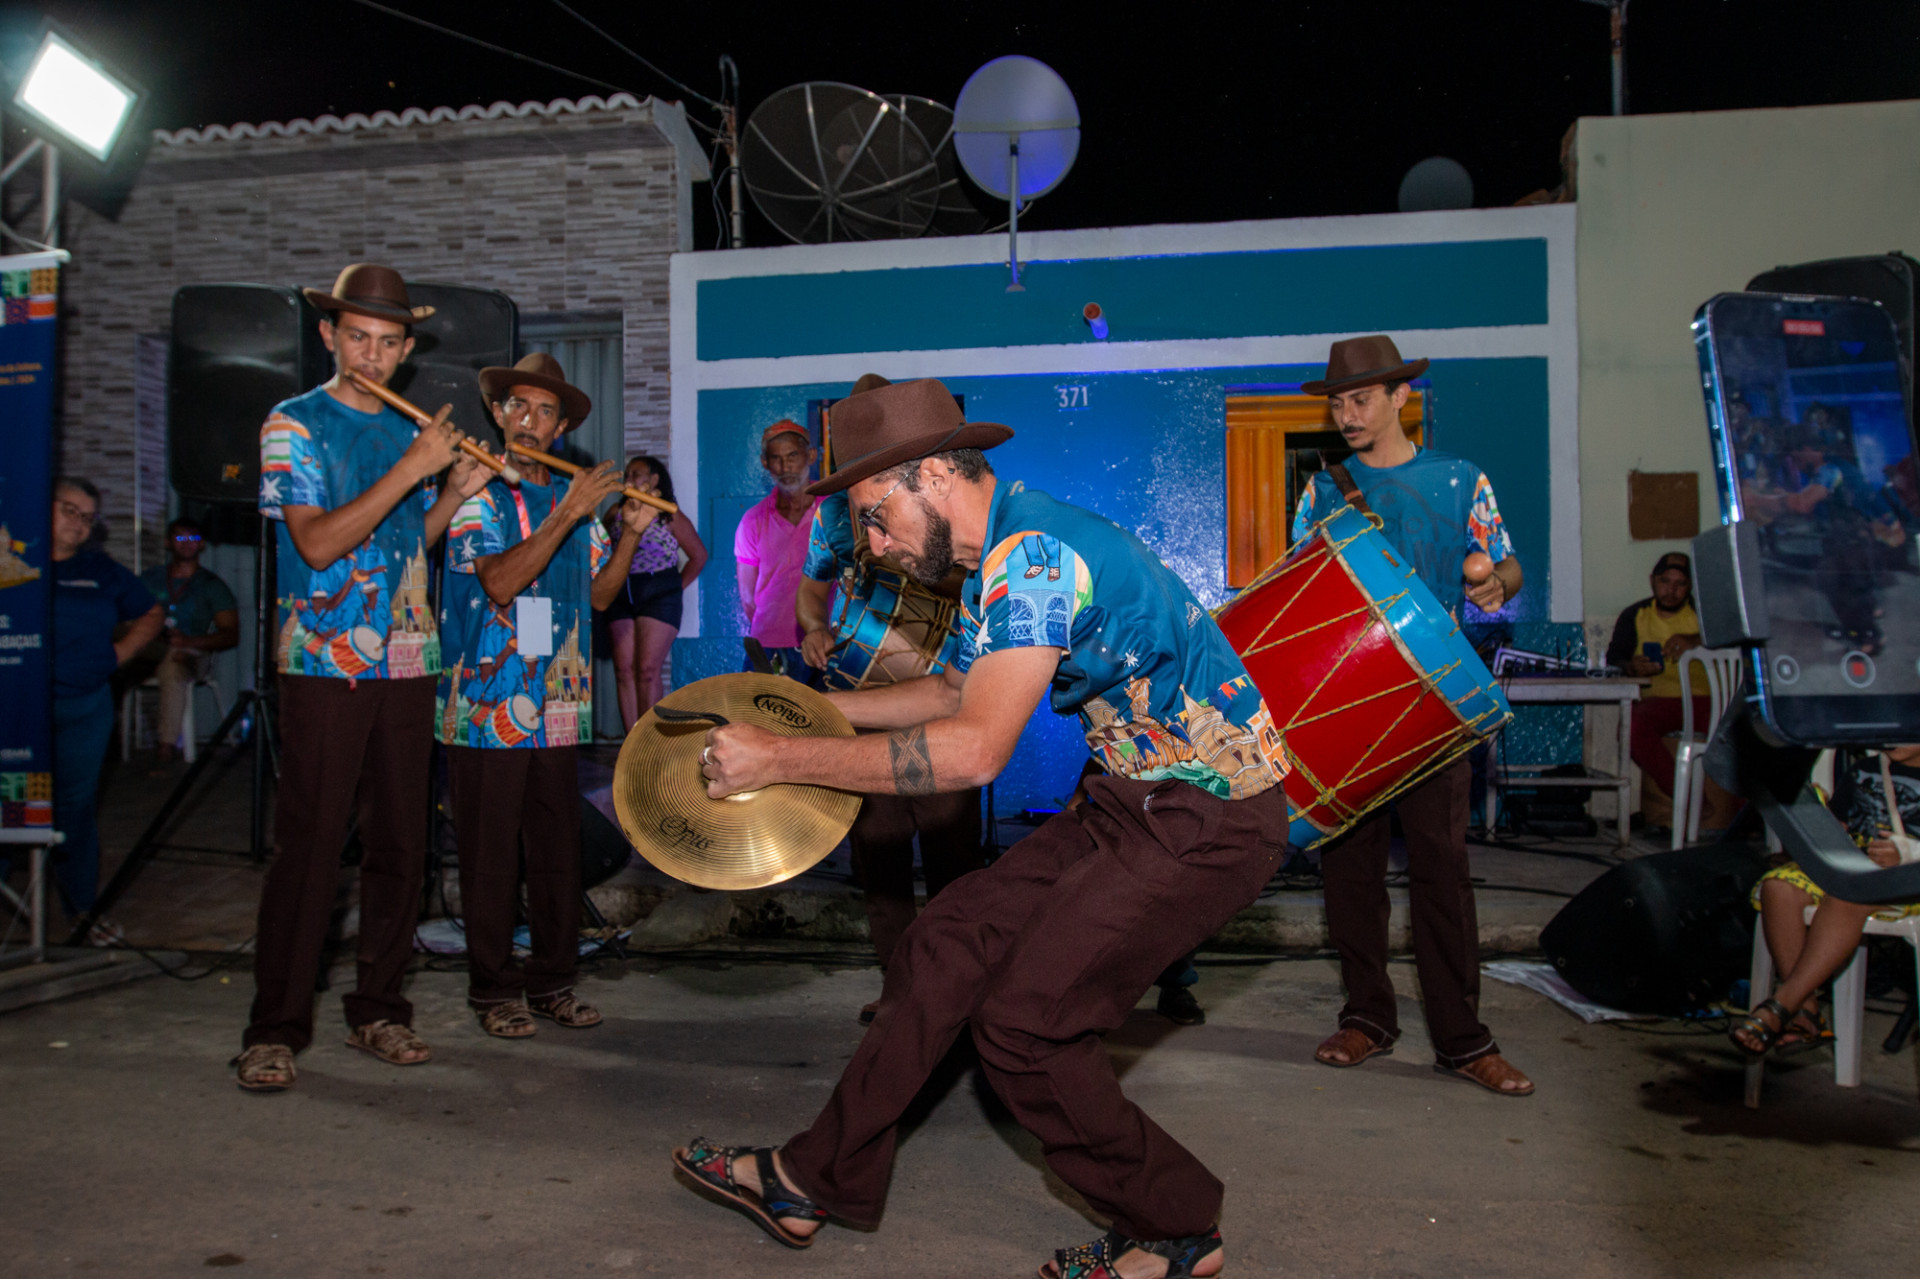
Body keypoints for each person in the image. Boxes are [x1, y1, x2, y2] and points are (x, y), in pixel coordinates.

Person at [673, 378, 1291, 1277]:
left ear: (930, 472)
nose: (875, 549)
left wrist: (780, 760)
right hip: (1127, 799)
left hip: (1207, 815)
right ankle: (814, 1180)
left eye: (877, 517)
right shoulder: (1001, 551)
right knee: (943, 942)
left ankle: (1177, 1225)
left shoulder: (1031, 556)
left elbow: (971, 751)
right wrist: (818, 713)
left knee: (1025, 1026)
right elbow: (955, 690)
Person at [233, 263, 491, 1093]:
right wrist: (416, 469)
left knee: (402, 842)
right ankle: (274, 1027)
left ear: (406, 348)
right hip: (324, 662)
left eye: (387, 343)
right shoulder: (292, 425)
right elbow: (317, 544)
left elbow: (404, 543)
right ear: (327, 336)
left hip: (410, 657)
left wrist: (452, 491)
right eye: (356, 339)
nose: (371, 357)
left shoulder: (408, 434)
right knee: (310, 843)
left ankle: (379, 1006)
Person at [1290, 334, 1534, 1097]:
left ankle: (1464, 1039)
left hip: (1436, 707)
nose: (1345, 414)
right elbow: (1301, 588)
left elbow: (1507, 561)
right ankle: (1368, 1017)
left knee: (1442, 869)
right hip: (1350, 706)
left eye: (1359, 398)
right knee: (1350, 870)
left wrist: (1495, 583)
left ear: (1402, 396)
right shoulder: (1324, 488)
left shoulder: (1461, 479)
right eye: (1336, 402)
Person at [438, 353, 640, 1037]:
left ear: (560, 426)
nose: (529, 420)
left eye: (544, 410)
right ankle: (494, 989)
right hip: (486, 709)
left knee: (556, 850)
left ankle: (553, 979)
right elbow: (499, 581)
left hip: (556, 701)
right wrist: (571, 513)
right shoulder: (473, 489)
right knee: (492, 852)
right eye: (517, 406)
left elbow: (603, 594)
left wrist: (629, 538)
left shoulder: (570, 499)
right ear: (497, 414)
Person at [796, 373, 982, 1022]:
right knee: (880, 864)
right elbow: (810, 587)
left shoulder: (951, 516)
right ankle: (902, 992)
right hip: (860, 701)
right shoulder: (832, 516)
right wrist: (815, 627)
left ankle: (955, 991)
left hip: (939, 708)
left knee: (955, 864)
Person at [1733, 745, 1920, 1056]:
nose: (1892, 737)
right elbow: (1841, 823)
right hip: (1851, 869)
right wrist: (1820, 823)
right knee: (1778, 888)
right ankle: (1805, 1014)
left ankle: (1780, 1006)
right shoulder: (1865, 770)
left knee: (1850, 895)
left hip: (1908, 881)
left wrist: (1909, 853)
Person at [49, 478, 165, 937]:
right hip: (18, 709)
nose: (78, 523)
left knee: (75, 809)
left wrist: (118, 656)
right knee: (10, 803)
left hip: (82, 706)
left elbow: (151, 613)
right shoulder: (13, 561)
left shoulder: (100, 570)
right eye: (69, 510)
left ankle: (81, 911)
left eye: (87, 517)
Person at [1604, 552, 1714, 835]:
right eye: (1665, 582)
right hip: (1657, 701)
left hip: (1707, 700)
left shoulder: (1706, 615)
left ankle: (1747, 822)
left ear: (1690, 587)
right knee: (1633, 726)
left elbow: (1737, 643)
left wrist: (1696, 641)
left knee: (1745, 734)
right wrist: (1631, 667)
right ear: (1653, 582)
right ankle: (1689, 798)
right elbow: (1614, 659)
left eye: (1680, 584)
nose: (1671, 590)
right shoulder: (1635, 615)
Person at [602, 455, 706, 731]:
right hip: (621, 593)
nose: (629, 478)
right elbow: (600, 552)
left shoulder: (667, 512)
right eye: (627, 474)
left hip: (659, 593)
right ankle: (629, 744)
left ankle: (646, 744)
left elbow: (699, 556)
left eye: (637, 473)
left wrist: (673, 589)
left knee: (647, 671)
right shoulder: (615, 513)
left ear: (655, 479)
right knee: (624, 670)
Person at [131, 516, 239, 768]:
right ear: (169, 543)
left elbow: (231, 634)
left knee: (173, 664)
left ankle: (165, 748)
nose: (187, 543)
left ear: (201, 545)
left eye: (193, 538)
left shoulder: (211, 585)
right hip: (148, 648)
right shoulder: (150, 579)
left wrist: (189, 640)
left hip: (191, 653)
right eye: (180, 537)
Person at [734, 420, 820, 683]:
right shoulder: (753, 520)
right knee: (764, 722)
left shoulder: (832, 510)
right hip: (768, 644)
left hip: (824, 643)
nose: (785, 468)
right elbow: (748, 598)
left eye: (793, 455)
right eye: (776, 459)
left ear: (811, 456)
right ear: (765, 463)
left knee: (828, 722)